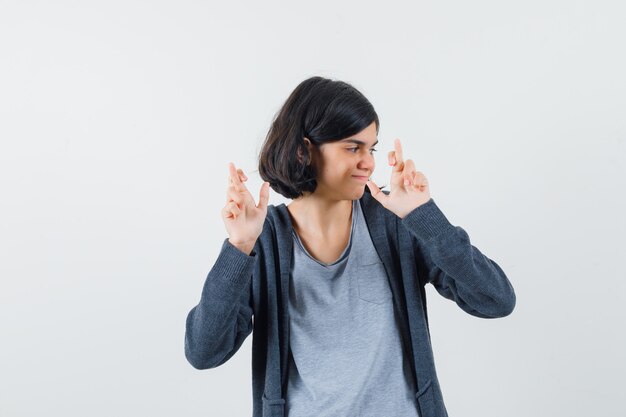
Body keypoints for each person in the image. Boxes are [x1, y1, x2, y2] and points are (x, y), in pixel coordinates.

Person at [184, 76, 516, 417]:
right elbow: (204, 352)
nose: (368, 162)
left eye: (371, 148)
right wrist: (239, 247)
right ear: (304, 150)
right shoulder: (263, 239)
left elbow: (495, 300)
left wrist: (425, 217)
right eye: (352, 147)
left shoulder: (396, 221)